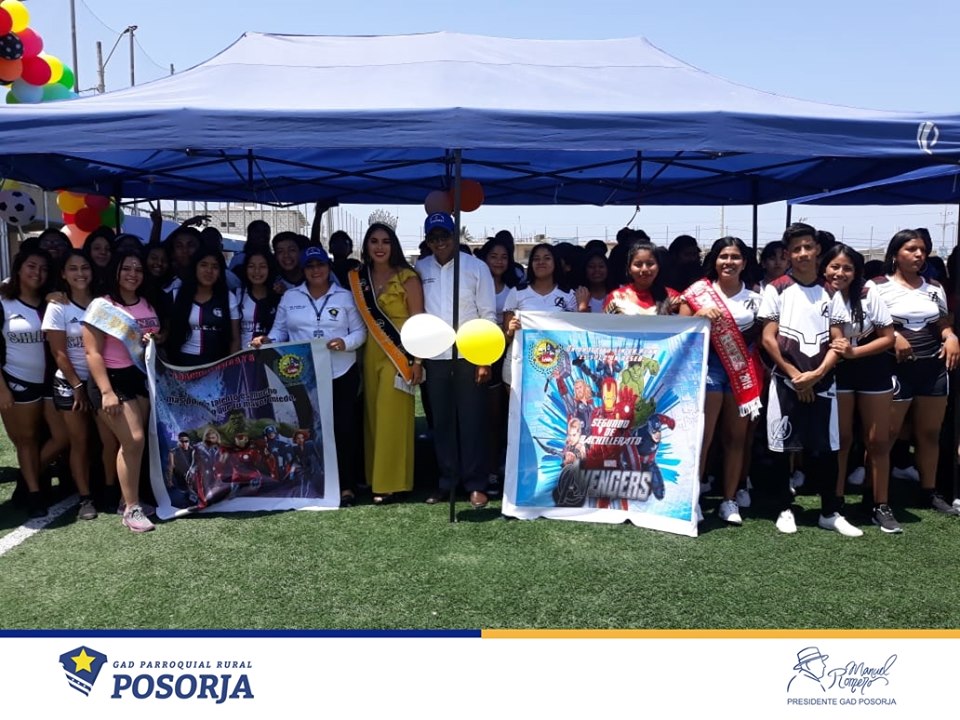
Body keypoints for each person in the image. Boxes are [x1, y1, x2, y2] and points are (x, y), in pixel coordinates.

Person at [758, 223, 859, 536]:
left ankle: (829, 512)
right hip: (785, 382)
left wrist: (816, 375)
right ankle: (783, 508)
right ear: (788, 254)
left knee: (827, 449)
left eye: (808, 247)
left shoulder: (832, 291)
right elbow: (768, 338)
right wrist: (794, 375)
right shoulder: (776, 288)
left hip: (823, 382)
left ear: (817, 250)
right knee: (781, 447)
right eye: (796, 249)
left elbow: (838, 341)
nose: (802, 253)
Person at [254, 246, 366, 506]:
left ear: (328, 267)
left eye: (320, 265)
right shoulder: (291, 296)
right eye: (310, 266)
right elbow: (279, 332)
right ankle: (312, 481)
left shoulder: (345, 297)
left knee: (343, 429)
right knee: (307, 429)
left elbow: (360, 333)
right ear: (303, 270)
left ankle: (346, 486)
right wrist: (268, 340)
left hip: (340, 372)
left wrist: (345, 342)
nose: (316, 270)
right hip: (302, 377)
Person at [872, 229, 960, 516]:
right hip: (894, 369)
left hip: (933, 368)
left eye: (922, 250)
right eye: (911, 249)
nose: (919, 255)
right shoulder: (877, 286)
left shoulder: (934, 286)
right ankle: (876, 498)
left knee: (929, 433)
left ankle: (928, 492)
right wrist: (893, 336)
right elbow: (866, 325)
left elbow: (943, 321)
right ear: (895, 254)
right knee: (886, 436)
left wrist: (951, 336)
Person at [678, 237, 762, 525]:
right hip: (708, 367)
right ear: (714, 261)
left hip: (742, 369)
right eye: (723, 256)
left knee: (736, 438)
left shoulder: (756, 298)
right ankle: (693, 499)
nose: (729, 262)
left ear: (745, 262)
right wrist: (698, 315)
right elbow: (680, 332)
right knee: (704, 436)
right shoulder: (698, 293)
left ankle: (729, 500)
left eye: (735, 257)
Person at [416, 212, 497, 509]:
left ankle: (475, 483)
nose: (440, 242)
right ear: (427, 241)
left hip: (469, 353)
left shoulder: (476, 267)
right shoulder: (420, 268)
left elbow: (488, 315)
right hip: (435, 355)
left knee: (472, 420)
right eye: (433, 237)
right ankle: (447, 481)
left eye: (445, 236)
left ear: (455, 236)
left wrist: (484, 359)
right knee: (442, 421)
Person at [82, 249, 160, 533]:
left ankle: (127, 500)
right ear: (115, 271)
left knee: (136, 444)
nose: (132, 274)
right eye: (126, 268)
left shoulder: (147, 303)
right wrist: (106, 392)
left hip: (138, 379)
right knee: (133, 440)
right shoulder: (101, 306)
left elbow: (152, 337)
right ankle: (131, 508)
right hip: (110, 380)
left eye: (138, 269)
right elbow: (92, 352)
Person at [821, 244, 898, 532]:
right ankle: (836, 501)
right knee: (841, 439)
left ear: (857, 272)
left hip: (872, 369)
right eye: (834, 266)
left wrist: (855, 352)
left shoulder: (868, 292)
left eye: (847, 268)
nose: (840, 273)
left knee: (878, 440)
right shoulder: (817, 293)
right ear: (824, 268)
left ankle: (880, 503)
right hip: (836, 370)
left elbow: (888, 337)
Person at [349, 222, 424, 504]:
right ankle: (375, 476)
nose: (380, 247)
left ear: (394, 246)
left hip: (399, 354)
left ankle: (391, 482)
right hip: (370, 352)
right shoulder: (359, 278)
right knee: (373, 416)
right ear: (366, 245)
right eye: (374, 241)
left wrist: (417, 361)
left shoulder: (407, 277)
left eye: (385, 241)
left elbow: (419, 321)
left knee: (392, 417)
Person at [0, 248, 67, 518]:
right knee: (26, 441)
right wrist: (2, 390)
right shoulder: (3, 302)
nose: (37, 273)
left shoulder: (50, 303)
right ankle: (35, 495)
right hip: (17, 382)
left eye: (43, 268)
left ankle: (26, 479)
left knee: (62, 437)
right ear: (18, 268)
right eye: (31, 266)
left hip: (48, 382)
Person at [42, 250, 99, 520]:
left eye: (84, 267)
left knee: (101, 441)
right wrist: (77, 386)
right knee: (80, 441)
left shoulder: (101, 303)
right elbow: (59, 353)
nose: (80, 273)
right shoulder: (58, 306)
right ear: (63, 274)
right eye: (73, 268)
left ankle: (105, 489)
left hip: (99, 382)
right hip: (70, 384)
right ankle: (85, 498)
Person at [503, 243, 589, 382]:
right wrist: (510, 330)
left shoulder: (569, 295)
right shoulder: (517, 292)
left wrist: (582, 307)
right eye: (536, 259)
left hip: (556, 368)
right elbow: (506, 337)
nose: (541, 262)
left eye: (547, 258)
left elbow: (579, 335)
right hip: (520, 364)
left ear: (556, 263)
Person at [164, 248, 240, 366]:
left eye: (215, 267)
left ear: (220, 271)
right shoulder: (176, 295)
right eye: (203, 265)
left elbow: (235, 339)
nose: (209, 271)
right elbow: (167, 332)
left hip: (218, 365)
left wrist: (230, 368)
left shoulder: (229, 298)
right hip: (182, 366)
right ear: (195, 267)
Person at [603, 242, 679, 314]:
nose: (644, 269)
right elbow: (604, 323)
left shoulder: (672, 297)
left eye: (650, 264)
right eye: (638, 264)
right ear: (629, 269)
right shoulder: (616, 297)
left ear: (658, 267)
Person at [235, 250, 282, 348]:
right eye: (251, 266)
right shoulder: (237, 295)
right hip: (242, 355)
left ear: (270, 269)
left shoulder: (280, 297)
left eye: (262, 266)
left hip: (272, 354)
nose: (257, 271)